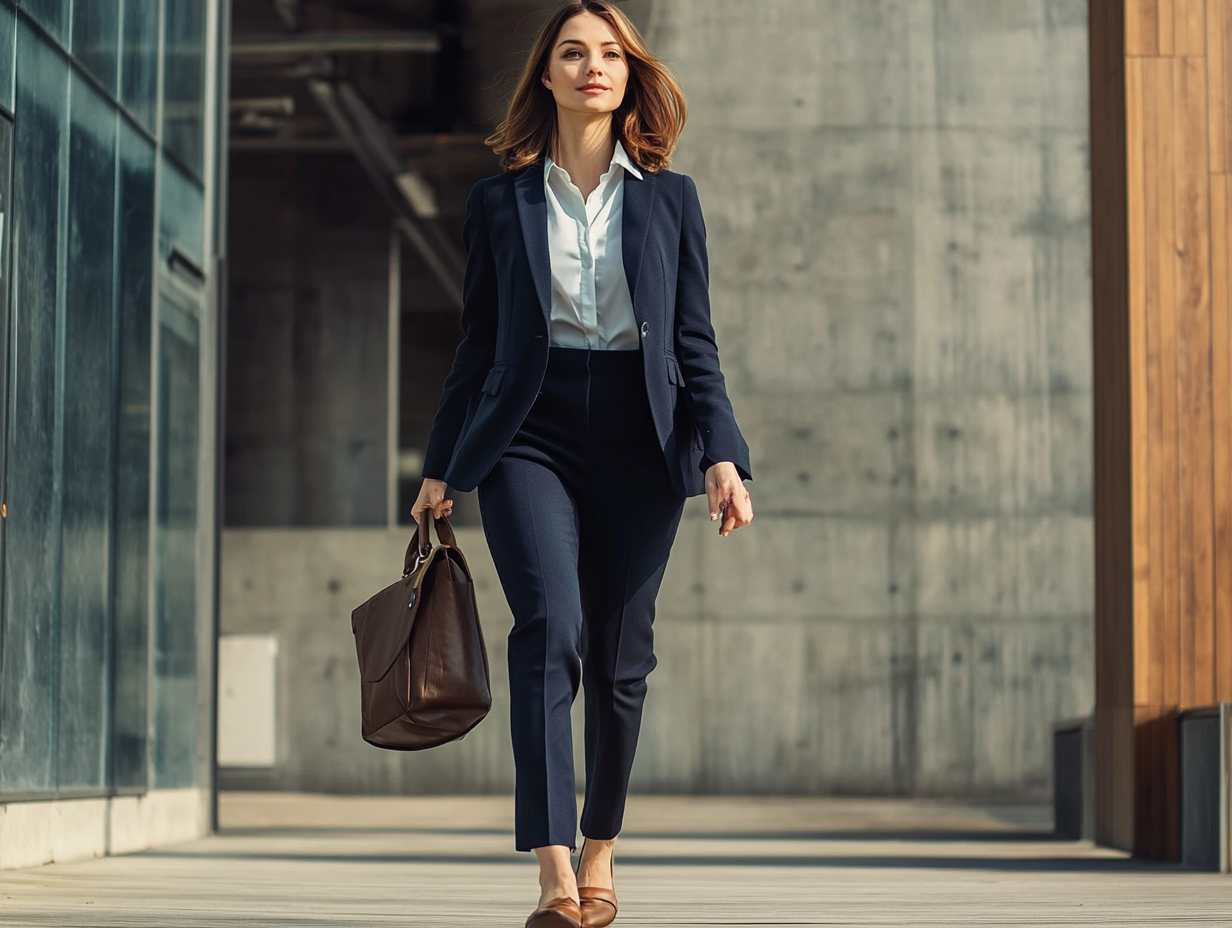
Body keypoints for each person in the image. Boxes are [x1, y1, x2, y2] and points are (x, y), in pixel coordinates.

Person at [412, 2, 753, 925]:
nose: (592, 66)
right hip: (531, 429)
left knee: (620, 658)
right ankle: (556, 869)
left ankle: (604, 843)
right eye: (573, 52)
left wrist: (723, 456)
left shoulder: (671, 199)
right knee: (550, 629)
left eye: (608, 52)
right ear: (549, 75)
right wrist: (442, 463)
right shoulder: (500, 200)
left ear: (629, 73)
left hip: (644, 436)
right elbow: (476, 346)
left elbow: (694, 343)